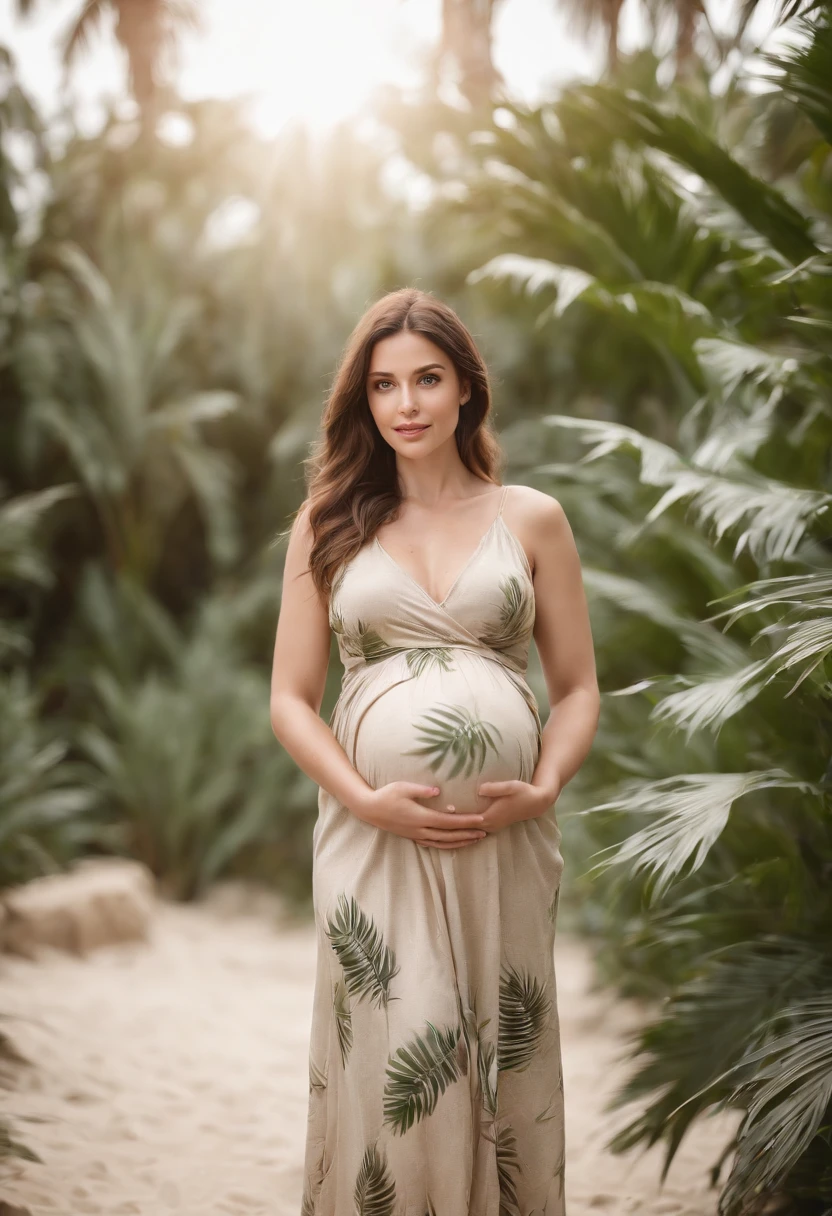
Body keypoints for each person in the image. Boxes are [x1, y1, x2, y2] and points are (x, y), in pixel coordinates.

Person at [270, 287, 600, 1215]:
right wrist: (363, 797)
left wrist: (542, 786)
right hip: (372, 835)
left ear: (466, 391)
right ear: (363, 402)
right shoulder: (328, 523)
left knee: (499, 1059)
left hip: (505, 843)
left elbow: (577, 686)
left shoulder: (531, 518)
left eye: (427, 379)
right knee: (404, 1054)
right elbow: (291, 702)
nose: (406, 403)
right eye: (383, 385)